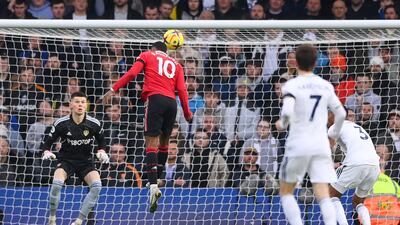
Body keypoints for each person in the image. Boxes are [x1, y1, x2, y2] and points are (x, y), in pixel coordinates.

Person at [103, 41, 192, 213]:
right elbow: (182, 90)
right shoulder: (177, 64)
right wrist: (187, 113)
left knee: (151, 143)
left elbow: (131, 74)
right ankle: (157, 181)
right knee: (164, 144)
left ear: (153, 49)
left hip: (155, 99)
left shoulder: (147, 55)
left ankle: (152, 186)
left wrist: (113, 88)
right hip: (171, 103)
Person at [275, 44, 346, 225]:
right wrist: (334, 134)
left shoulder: (292, 84)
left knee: (286, 190)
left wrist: (281, 124)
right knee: (323, 192)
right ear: (315, 62)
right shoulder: (325, 85)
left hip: (298, 143)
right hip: (320, 144)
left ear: (296, 62)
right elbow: (341, 114)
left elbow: (288, 112)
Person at [41, 92, 109, 225]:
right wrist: (46, 152)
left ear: (86, 105)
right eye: (77, 102)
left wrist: (102, 152)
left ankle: (79, 221)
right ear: (71, 104)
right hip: (66, 161)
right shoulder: (61, 123)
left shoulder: (94, 123)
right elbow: (47, 143)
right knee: (56, 185)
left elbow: (102, 142)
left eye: (83, 102)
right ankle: (52, 218)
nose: (80, 105)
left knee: (97, 186)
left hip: (86, 162)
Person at [327, 110, 380, 225]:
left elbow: (327, 147)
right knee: (358, 202)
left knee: (331, 195)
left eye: (327, 114)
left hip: (357, 162)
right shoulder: (355, 126)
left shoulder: (334, 127)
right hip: (375, 165)